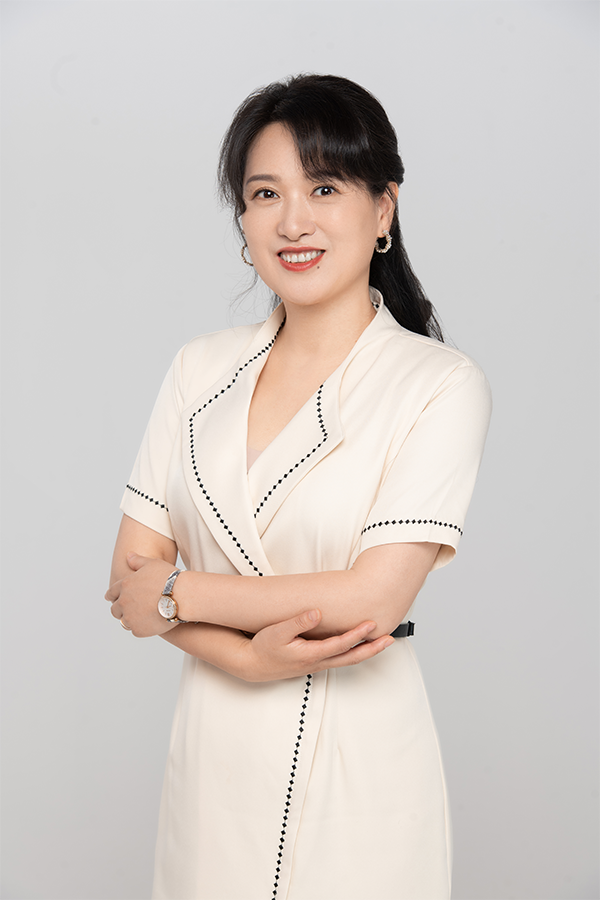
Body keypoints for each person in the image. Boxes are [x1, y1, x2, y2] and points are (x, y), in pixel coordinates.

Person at [106, 74, 492, 900]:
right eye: (265, 194)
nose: (292, 221)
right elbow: (126, 588)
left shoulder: (437, 383)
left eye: (324, 188)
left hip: (359, 761)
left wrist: (179, 593)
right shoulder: (198, 370)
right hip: (214, 754)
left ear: (383, 209)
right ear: (243, 221)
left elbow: (371, 601)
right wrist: (247, 662)